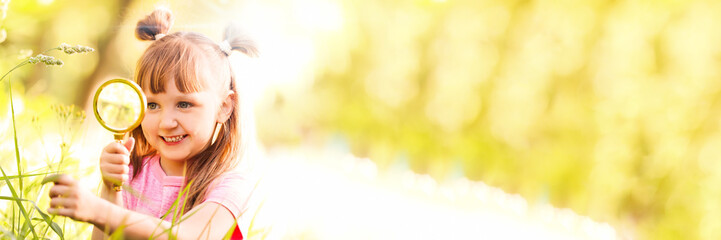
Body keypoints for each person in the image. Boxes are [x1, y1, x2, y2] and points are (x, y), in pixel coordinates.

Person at [44, 7, 259, 239]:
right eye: (152, 105)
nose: (166, 123)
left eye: (184, 104)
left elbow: (191, 235)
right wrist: (110, 188)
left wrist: (99, 210)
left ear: (225, 107)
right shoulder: (133, 174)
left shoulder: (229, 184)